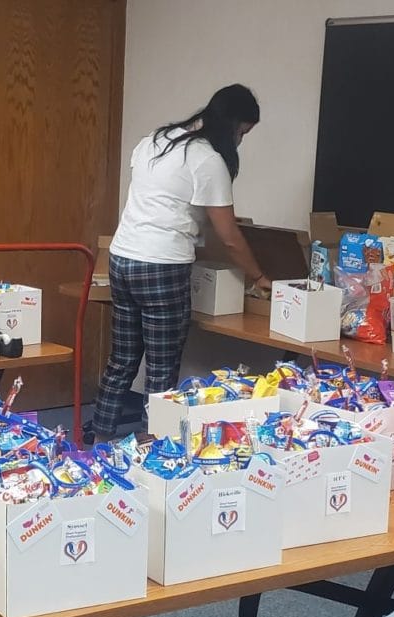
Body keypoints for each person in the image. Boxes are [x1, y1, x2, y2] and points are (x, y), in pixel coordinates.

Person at [92, 84, 271, 441]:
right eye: (242, 133)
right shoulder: (208, 160)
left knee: (122, 359)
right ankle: (153, 451)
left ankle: (99, 439)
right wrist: (259, 277)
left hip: (123, 257)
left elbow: (160, 201)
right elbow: (230, 237)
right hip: (161, 267)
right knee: (161, 369)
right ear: (233, 124)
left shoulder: (156, 140)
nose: (240, 142)